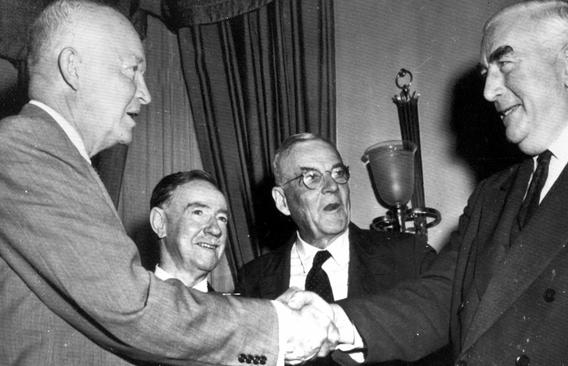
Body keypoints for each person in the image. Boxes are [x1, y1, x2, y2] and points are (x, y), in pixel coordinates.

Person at [288, 1, 568, 365]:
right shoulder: (490, 197)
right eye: (486, 73)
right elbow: (440, 300)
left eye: (504, 64)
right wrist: (333, 320)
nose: (489, 91)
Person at [0, 1, 336, 365]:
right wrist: (279, 326)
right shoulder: (27, 147)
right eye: (132, 71)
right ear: (73, 68)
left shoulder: (46, 152)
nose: (145, 93)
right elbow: (128, 304)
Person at [236, 133, 449, 365]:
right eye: (311, 177)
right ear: (282, 201)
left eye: (338, 173)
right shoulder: (253, 279)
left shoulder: (408, 255)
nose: (331, 187)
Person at [149, 170, 229, 293]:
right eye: (198, 212)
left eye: (221, 218)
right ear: (160, 222)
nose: (215, 229)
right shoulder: (123, 303)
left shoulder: (232, 310)